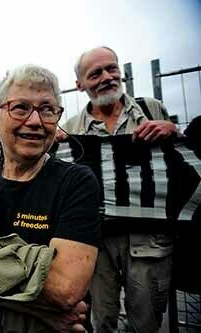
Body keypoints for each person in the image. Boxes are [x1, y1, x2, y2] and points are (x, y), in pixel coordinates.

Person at [0, 64, 101, 332]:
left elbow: (64, 288)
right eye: (21, 107)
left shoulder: (77, 182)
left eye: (48, 109)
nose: (36, 121)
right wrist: (41, 307)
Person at [61, 46, 178, 332]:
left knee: (147, 323)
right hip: (97, 245)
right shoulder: (70, 129)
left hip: (148, 242)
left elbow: (181, 162)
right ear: (80, 85)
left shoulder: (151, 109)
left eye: (111, 68)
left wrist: (173, 131)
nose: (107, 77)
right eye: (95, 73)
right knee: (102, 321)